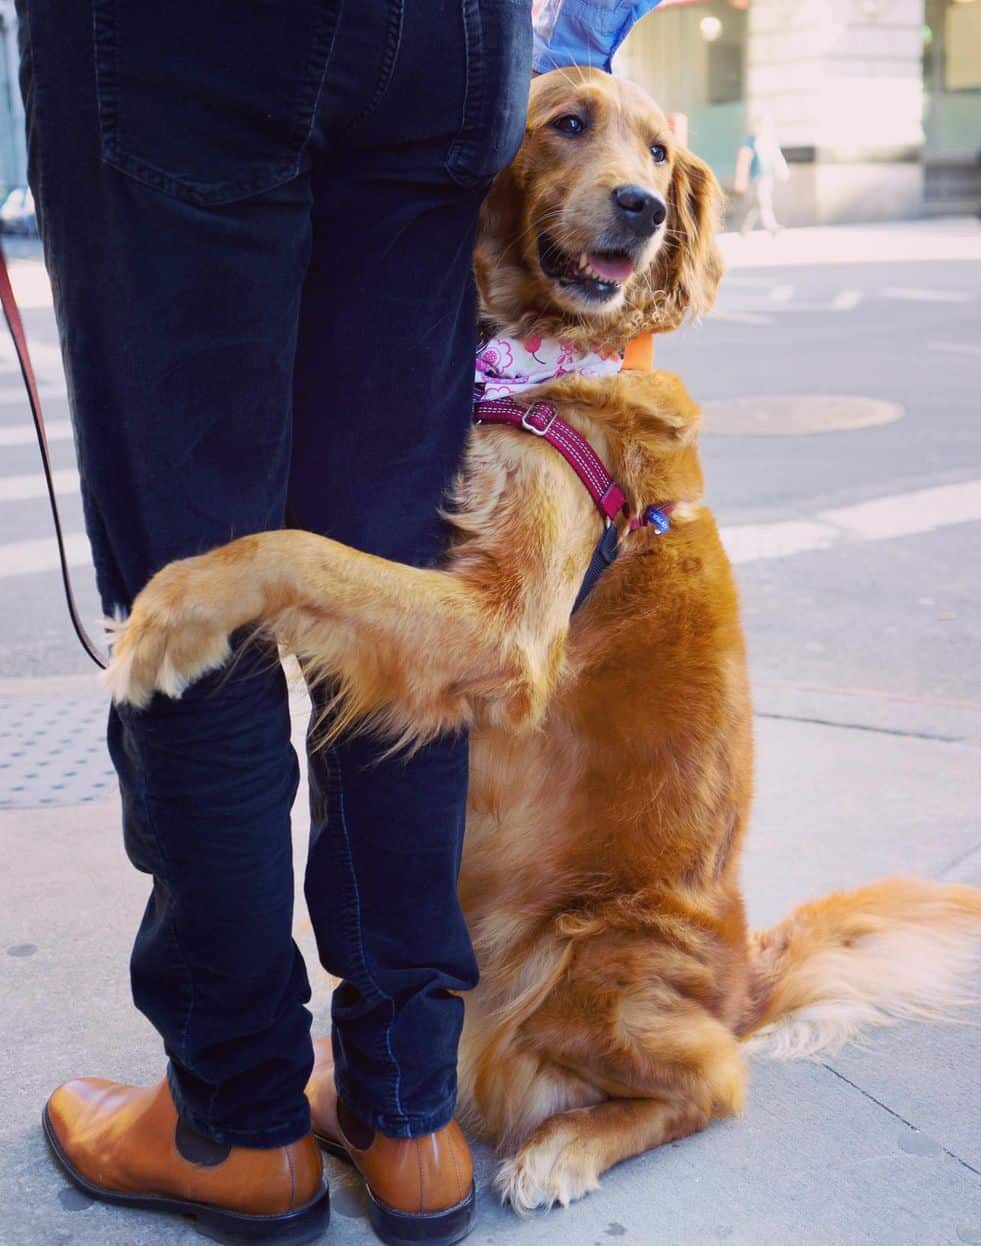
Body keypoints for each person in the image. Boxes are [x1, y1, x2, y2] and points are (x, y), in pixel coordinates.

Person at [18, 2, 659, 1245]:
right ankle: (408, 1117)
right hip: (446, 44)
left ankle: (238, 1125)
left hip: (183, 47)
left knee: (193, 590)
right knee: (393, 584)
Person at [734, 114, 789, 237]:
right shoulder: (750, 141)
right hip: (756, 178)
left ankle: (744, 229)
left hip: (767, 177)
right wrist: (740, 179)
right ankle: (772, 227)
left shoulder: (769, 141)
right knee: (764, 201)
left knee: (756, 205)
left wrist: (783, 171)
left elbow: (777, 158)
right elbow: (744, 160)